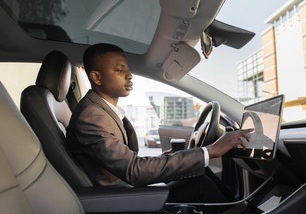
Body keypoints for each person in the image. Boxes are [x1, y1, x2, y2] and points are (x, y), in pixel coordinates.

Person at [66, 43, 252, 202]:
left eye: (128, 69)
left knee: (198, 173)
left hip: (124, 189)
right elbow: (134, 170)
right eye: (120, 70)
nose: (129, 75)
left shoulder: (101, 110)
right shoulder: (91, 116)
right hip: (118, 199)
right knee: (199, 183)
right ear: (96, 77)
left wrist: (181, 155)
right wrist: (211, 151)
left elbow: (129, 161)